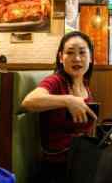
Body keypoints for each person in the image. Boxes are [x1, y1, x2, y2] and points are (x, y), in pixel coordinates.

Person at [21, 31, 98, 183]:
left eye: (82, 52)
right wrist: (68, 100)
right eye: (70, 53)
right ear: (61, 57)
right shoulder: (55, 81)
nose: (76, 58)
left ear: (91, 58)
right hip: (58, 168)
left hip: (81, 161)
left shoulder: (84, 84)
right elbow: (29, 102)